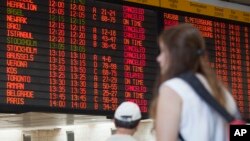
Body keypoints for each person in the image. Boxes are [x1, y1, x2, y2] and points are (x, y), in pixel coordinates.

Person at [150, 23, 241, 141]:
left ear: (176, 55)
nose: (159, 58)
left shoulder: (173, 89)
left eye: (163, 51)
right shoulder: (223, 92)